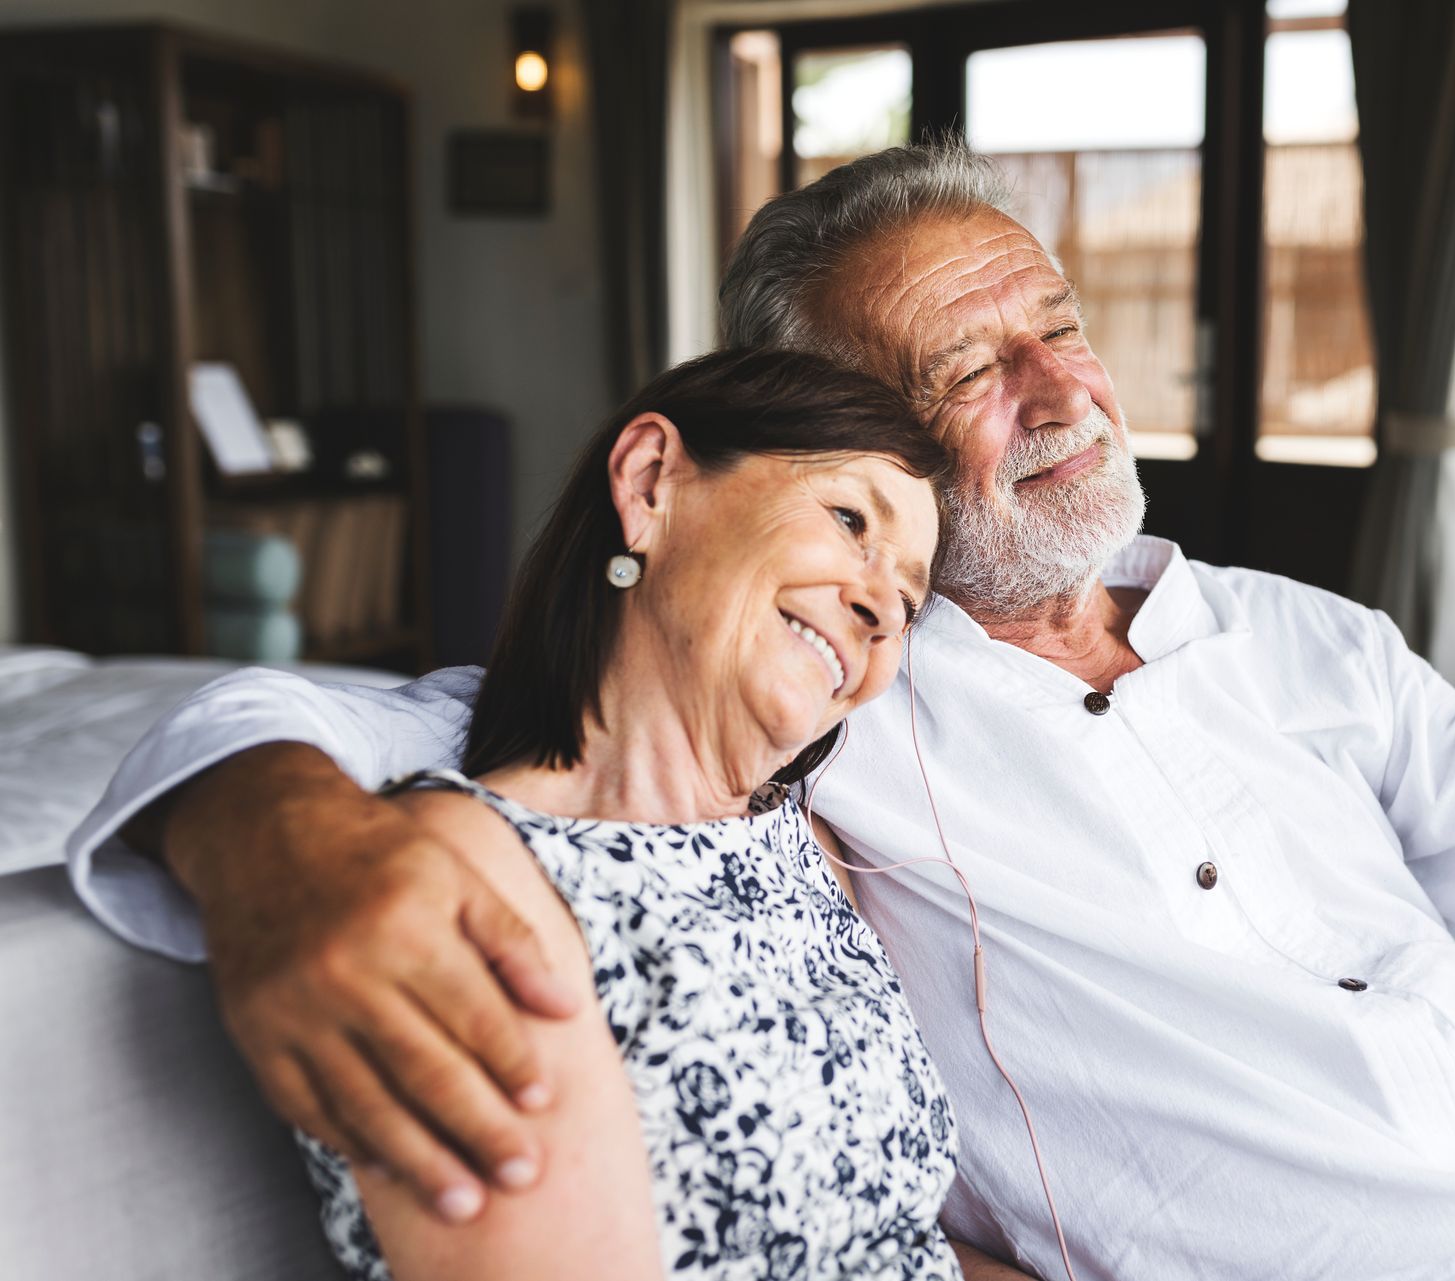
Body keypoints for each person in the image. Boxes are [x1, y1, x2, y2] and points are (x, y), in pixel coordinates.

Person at [72, 144, 1455, 1281]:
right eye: (970, 364)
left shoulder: (1299, 641)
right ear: (831, 434)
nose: (1061, 388)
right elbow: (239, 723)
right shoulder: (815, 692)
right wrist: (276, 840)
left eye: (1058, 321)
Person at [261, 346, 976, 1280]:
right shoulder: (466, 891)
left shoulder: (801, 845)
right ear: (650, 483)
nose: (883, 606)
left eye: (910, 601)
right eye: (849, 520)